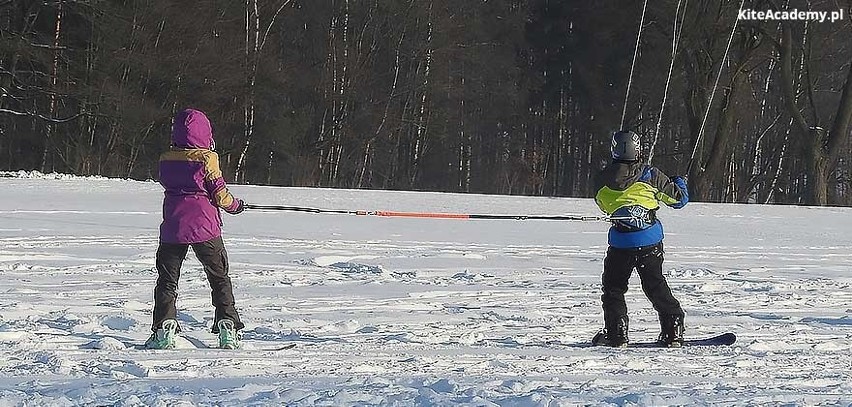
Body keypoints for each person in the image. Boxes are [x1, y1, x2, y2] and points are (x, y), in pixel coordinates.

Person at [146, 108, 246, 349]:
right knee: (219, 277)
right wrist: (236, 206)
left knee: (167, 281)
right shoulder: (207, 158)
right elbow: (220, 195)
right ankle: (227, 326)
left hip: (173, 227)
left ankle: (164, 329)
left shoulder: (166, 158)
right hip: (206, 228)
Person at [592, 130, 689, 347]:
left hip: (620, 244)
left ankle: (617, 334)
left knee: (613, 289)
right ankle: (673, 330)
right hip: (649, 242)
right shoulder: (650, 174)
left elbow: (602, 204)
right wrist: (679, 182)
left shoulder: (601, 180)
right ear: (638, 150)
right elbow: (679, 201)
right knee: (655, 286)